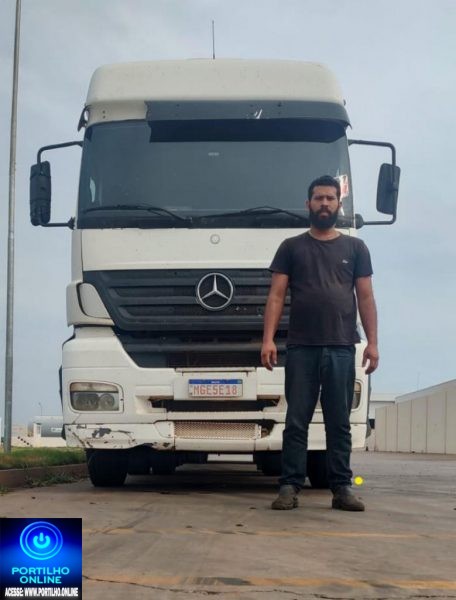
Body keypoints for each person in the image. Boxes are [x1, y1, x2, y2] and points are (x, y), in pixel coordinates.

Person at [261, 175, 378, 511]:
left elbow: (365, 297)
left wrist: (372, 343)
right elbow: (276, 296)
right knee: (296, 421)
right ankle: (289, 486)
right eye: (318, 198)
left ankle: (341, 488)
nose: (324, 203)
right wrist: (268, 339)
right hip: (302, 348)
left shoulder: (356, 249)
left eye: (330, 198)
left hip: (341, 347)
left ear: (339, 204)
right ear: (308, 204)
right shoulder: (291, 247)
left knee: (339, 422)